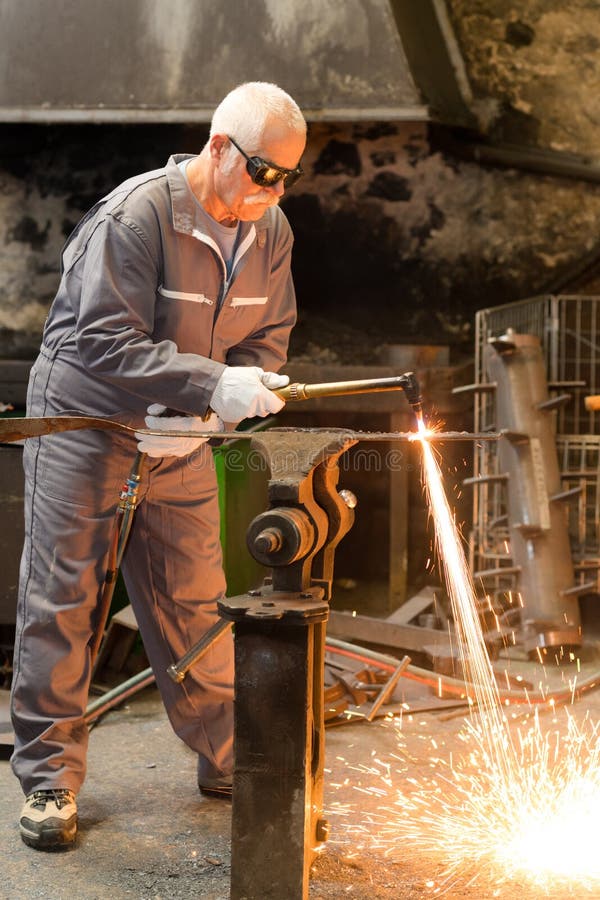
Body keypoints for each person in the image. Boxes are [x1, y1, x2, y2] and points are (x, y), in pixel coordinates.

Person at [10, 81, 307, 851]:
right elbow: (104, 341)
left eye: (288, 178)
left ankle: (229, 756)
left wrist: (219, 410)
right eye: (264, 173)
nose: (274, 192)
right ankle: (49, 778)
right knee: (65, 596)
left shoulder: (269, 230)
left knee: (195, 596)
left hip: (180, 434)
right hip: (88, 423)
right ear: (219, 147)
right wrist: (207, 386)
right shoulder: (136, 215)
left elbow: (265, 338)